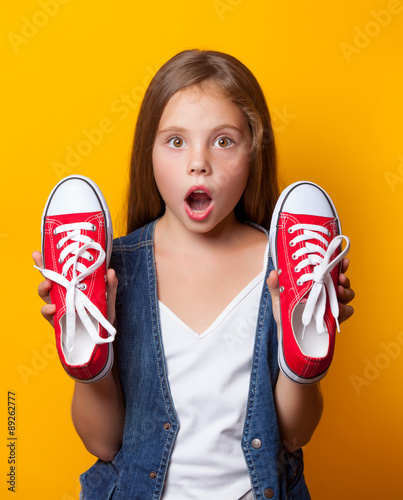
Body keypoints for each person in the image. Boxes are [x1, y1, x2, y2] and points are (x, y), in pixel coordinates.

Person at [33, 49, 354, 500]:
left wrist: (299, 356)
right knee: (90, 354)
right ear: (149, 151)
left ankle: (306, 349)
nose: (198, 162)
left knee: (301, 352)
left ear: (254, 150)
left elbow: (293, 435)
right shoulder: (113, 271)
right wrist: (92, 369)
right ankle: (84, 348)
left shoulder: (282, 268)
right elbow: (102, 443)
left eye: (223, 141)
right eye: (176, 141)